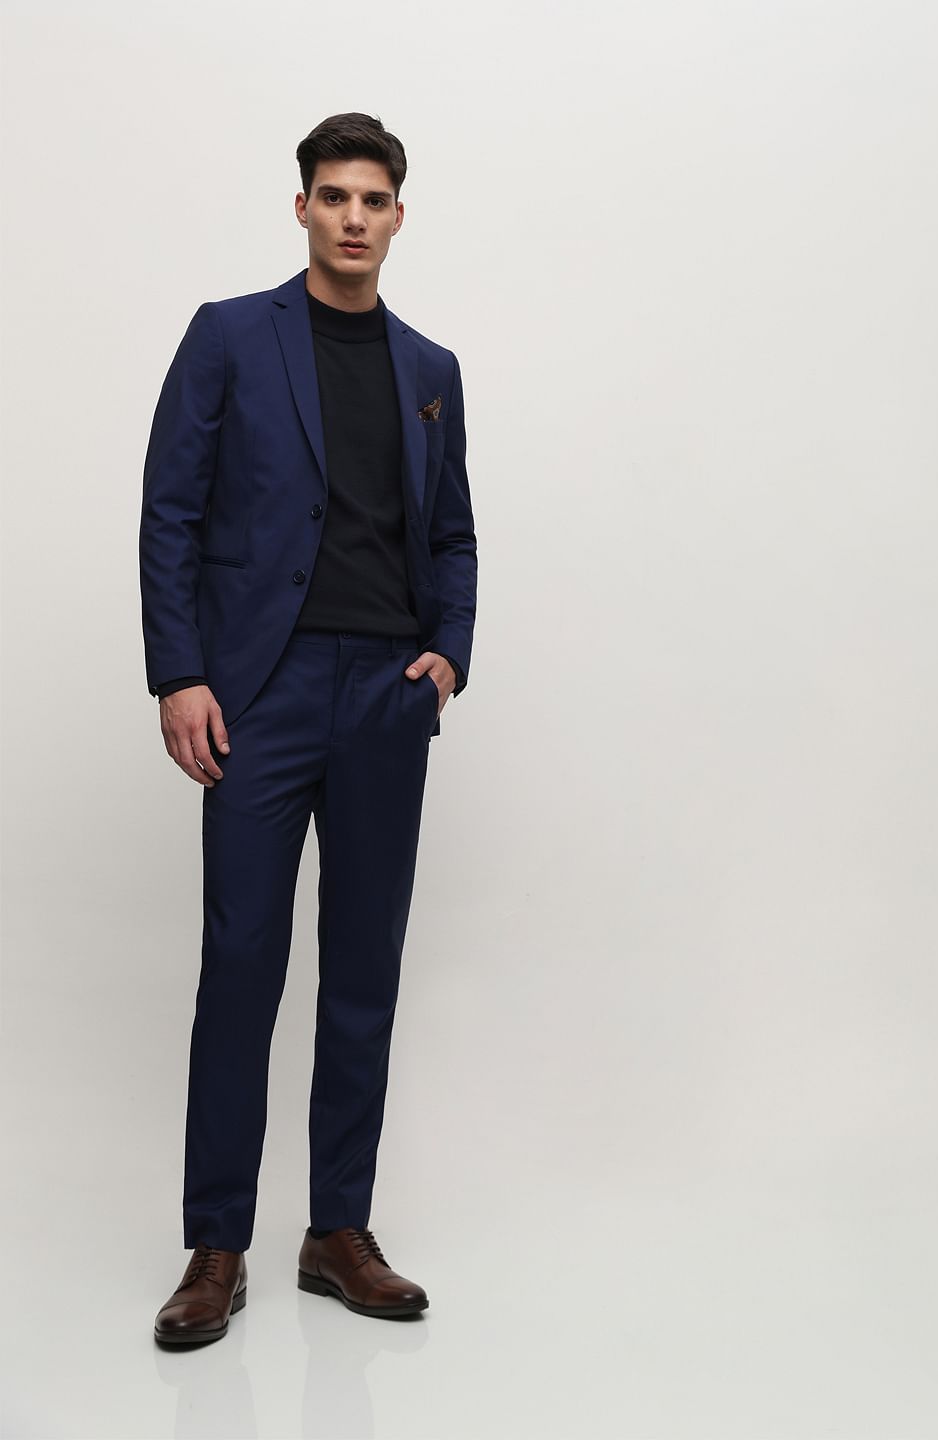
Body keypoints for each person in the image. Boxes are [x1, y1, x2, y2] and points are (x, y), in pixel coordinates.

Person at [140, 112, 477, 1345]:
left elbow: (453, 531)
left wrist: (447, 654)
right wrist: (181, 673)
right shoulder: (232, 335)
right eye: (333, 195)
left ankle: (339, 1230)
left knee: (365, 969)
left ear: (398, 217)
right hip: (262, 693)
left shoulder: (431, 368)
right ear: (302, 208)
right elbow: (170, 509)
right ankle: (215, 1246)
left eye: (373, 199)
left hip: (386, 693)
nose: (352, 217)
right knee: (242, 962)